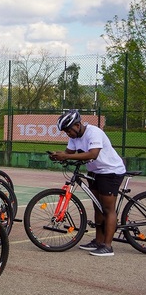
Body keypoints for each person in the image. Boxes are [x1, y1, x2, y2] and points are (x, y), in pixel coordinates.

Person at [50, 110, 127, 257]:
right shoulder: (75, 136)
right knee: (97, 206)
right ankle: (98, 241)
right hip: (95, 171)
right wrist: (58, 156)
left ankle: (108, 246)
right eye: (65, 132)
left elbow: (93, 154)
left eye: (68, 130)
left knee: (108, 208)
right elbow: (69, 152)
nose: (68, 134)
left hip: (110, 171)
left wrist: (65, 156)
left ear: (78, 125)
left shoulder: (94, 132)